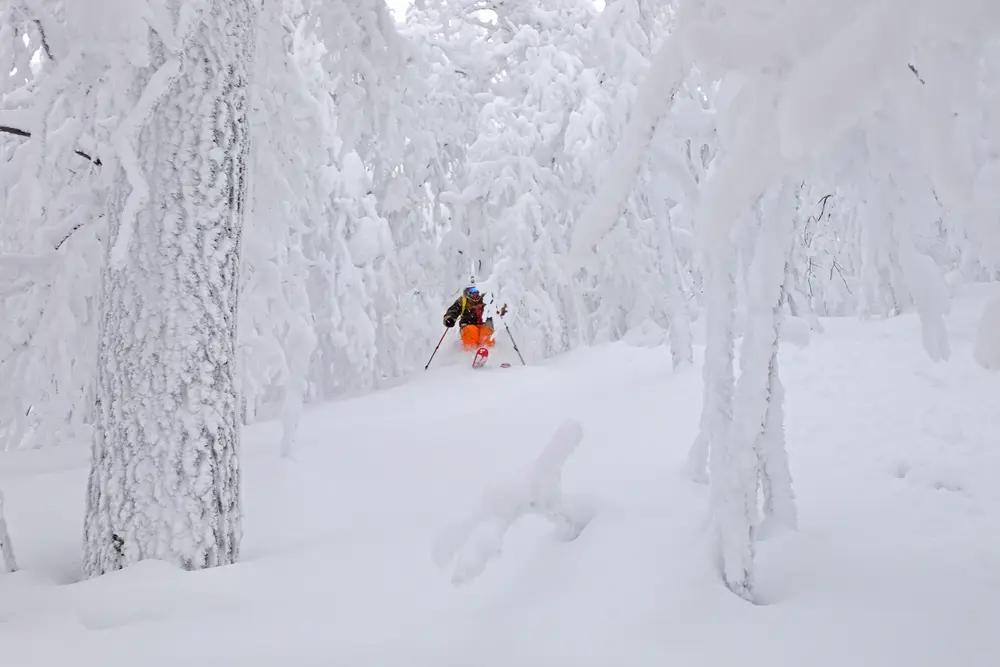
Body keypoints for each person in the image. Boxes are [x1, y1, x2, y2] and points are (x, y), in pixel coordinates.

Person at [443, 285, 496, 349]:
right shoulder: (463, 300)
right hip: (468, 324)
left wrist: (502, 311)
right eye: (472, 291)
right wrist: (449, 318)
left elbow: (497, 306)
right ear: (467, 292)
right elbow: (453, 310)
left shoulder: (487, 298)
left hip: (485, 324)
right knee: (471, 331)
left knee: (486, 333)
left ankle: (489, 351)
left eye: (477, 290)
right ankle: (471, 352)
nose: (475, 293)